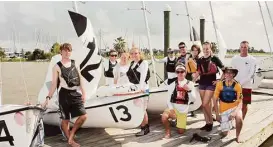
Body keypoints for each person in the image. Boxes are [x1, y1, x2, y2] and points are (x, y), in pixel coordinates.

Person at [42, 43, 87, 147]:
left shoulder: (75, 63)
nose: (67, 52)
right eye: (65, 50)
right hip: (64, 94)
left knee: (84, 116)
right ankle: (70, 140)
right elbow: (54, 84)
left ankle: (71, 134)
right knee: (65, 119)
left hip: (75, 93)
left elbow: (81, 79)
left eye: (69, 50)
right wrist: (48, 97)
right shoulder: (56, 66)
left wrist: (84, 93)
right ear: (61, 52)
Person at [193, 41, 225, 131]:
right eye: (204, 49)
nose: (206, 50)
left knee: (204, 103)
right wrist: (191, 82)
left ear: (210, 48)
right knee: (205, 105)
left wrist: (219, 80)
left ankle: (211, 121)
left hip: (211, 84)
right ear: (202, 50)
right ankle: (207, 123)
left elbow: (225, 70)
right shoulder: (200, 60)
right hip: (202, 84)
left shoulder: (215, 59)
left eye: (207, 48)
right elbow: (197, 73)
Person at [161, 63, 196, 139]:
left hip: (183, 111)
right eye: (178, 72)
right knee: (164, 117)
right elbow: (168, 99)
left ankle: (177, 121)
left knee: (181, 132)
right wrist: (172, 110)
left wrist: (189, 90)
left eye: (182, 71)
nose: (180, 73)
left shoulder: (190, 83)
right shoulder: (172, 84)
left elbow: (193, 99)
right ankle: (168, 131)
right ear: (176, 73)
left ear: (185, 72)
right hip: (174, 108)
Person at [213, 67, 243, 143]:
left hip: (234, 106)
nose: (228, 74)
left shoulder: (237, 85)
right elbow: (215, 99)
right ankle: (226, 125)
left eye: (230, 73)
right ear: (224, 74)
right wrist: (217, 114)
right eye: (227, 73)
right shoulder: (219, 84)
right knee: (225, 133)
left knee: (239, 118)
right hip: (223, 109)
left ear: (233, 74)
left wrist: (235, 112)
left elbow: (240, 101)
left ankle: (238, 136)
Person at [126, 47, 150, 136]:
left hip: (143, 89)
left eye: (136, 53)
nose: (134, 55)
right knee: (139, 108)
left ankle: (145, 128)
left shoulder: (144, 63)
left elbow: (143, 77)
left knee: (142, 109)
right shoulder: (132, 64)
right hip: (135, 89)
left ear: (139, 53)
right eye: (132, 53)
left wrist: (140, 89)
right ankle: (143, 126)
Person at [231, 41, 257, 120]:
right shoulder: (234, 58)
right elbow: (232, 72)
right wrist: (235, 84)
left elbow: (251, 74)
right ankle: (234, 121)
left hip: (247, 86)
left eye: (245, 47)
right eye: (241, 47)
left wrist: (240, 83)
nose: (243, 49)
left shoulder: (252, 59)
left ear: (248, 48)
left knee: (244, 105)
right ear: (239, 48)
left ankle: (241, 121)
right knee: (234, 104)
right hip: (235, 86)